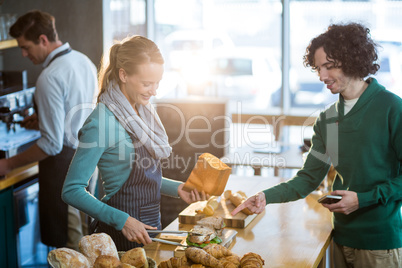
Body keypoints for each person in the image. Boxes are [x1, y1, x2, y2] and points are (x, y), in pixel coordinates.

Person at [232, 22, 402, 268]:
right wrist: (264, 197)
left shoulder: (390, 108)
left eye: (329, 66)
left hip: (380, 245)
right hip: (340, 239)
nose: (322, 76)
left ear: (352, 60)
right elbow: (308, 180)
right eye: (318, 68)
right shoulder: (329, 119)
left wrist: (362, 199)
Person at [62, 35, 207, 251]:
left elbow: (142, 176)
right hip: (117, 238)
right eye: (147, 84)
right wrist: (122, 221)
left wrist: (178, 188)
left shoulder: (142, 112)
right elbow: (71, 190)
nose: (154, 91)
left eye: (157, 83)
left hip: (150, 232)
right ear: (123, 75)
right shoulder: (101, 122)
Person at [0, 10, 98, 250]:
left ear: (43, 40)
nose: (24, 54)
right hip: (89, 160)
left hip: (65, 169)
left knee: (71, 247)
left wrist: (8, 165)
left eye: (25, 47)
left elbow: (52, 143)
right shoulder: (83, 60)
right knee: (87, 239)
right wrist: (43, 119)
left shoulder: (49, 77)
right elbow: (79, 112)